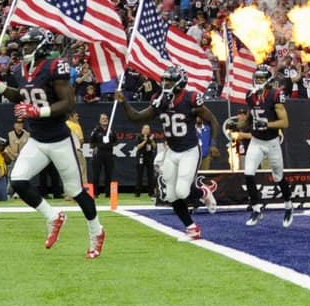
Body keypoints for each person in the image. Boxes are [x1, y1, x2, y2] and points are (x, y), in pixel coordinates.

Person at [0, 27, 105, 259]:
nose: (25, 49)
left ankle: (97, 232)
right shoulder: (23, 69)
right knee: (18, 180)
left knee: (75, 191)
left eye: (30, 45)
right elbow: (21, 95)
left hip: (59, 139)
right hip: (37, 139)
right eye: (24, 45)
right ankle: (53, 216)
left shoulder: (54, 66)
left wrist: (38, 111)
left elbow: (68, 102)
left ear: (41, 46)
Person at [116, 66, 220, 240]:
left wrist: (214, 144)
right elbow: (137, 117)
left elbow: (213, 120)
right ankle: (192, 228)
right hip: (172, 151)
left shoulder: (190, 98)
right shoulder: (160, 100)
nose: (166, 84)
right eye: (164, 80)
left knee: (182, 192)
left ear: (180, 83)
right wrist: (124, 103)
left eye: (170, 81)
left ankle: (204, 192)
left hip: (189, 150)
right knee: (170, 195)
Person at [238, 65, 295, 227]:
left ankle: (288, 205)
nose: (258, 81)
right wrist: (240, 125)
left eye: (262, 78)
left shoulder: (275, 95)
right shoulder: (251, 95)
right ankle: (256, 209)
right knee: (248, 173)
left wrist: (267, 124)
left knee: (278, 176)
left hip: (271, 142)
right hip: (256, 141)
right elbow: (251, 116)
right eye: (257, 78)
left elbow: (285, 122)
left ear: (269, 80)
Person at [86, 112, 117, 198]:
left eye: (106, 118)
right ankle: (95, 193)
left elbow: (116, 142)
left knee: (109, 174)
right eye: (103, 119)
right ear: (100, 120)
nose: (105, 120)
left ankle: (108, 193)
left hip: (109, 154)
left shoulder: (111, 130)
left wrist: (109, 143)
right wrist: (99, 144)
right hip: (98, 154)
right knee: (96, 174)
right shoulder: (96, 130)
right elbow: (91, 143)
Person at [134, 123, 157, 197]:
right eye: (146, 128)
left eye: (148, 129)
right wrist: (144, 141)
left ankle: (151, 192)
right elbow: (138, 147)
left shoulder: (152, 137)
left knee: (150, 175)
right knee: (139, 175)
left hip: (149, 156)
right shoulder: (139, 137)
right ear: (142, 130)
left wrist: (152, 140)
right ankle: (138, 192)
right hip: (141, 156)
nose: (147, 130)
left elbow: (154, 146)